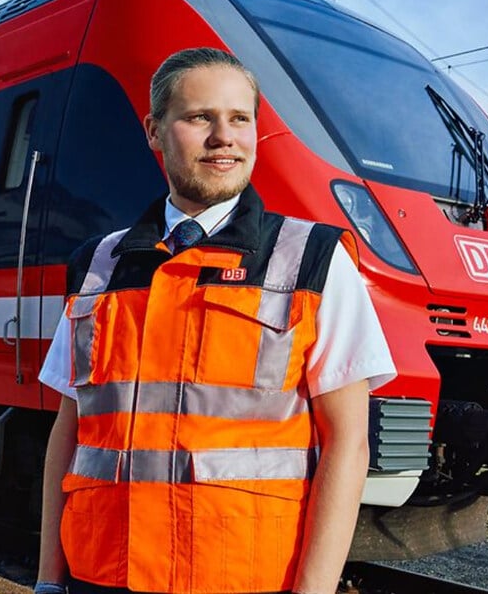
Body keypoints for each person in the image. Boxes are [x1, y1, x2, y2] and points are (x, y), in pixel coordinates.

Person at [34, 47, 396, 594]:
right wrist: (47, 580)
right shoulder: (99, 264)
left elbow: (349, 442)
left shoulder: (313, 260)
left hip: (243, 577)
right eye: (200, 116)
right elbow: (71, 429)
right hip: (101, 575)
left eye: (240, 119)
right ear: (155, 132)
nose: (223, 136)